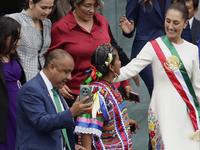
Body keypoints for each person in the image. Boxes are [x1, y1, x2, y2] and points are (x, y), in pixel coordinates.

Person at [118, 2, 200, 150]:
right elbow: (129, 70)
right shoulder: (153, 46)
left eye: (176, 23)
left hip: (186, 112)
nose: (170, 26)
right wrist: (101, 75)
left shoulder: (192, 50)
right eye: (168, 21)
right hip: (162, 108)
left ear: (185, 23)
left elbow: (197, 87)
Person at [48, 0, 133, 108]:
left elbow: (112, 55)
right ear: (76, 3)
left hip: (109, 90)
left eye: (95, 6)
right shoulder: (61, 27)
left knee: (114, 124)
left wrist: (124, 82)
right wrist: (57, 84)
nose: (92, 10)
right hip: (78, 93)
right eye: (87, 6)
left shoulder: (102, 21)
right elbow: (52, 60)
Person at [15, 49, 93, 150]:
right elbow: (41, 122)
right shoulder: (30, 90)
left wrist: (69, 146)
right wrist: (72, 112)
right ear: (52, 67)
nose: (69, 77)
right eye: (66, 72)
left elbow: (59, 128)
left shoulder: (55, 88)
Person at [119, 0, 192, 97]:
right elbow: (130, 22)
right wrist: (129, 31)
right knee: (158, 88)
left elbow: (183, 24)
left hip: (171, 48)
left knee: (174, 90)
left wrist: (187, 51)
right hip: (146, 50)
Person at [75, 43, 139, 150]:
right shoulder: (95, 94)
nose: (120, 63)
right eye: (118, 60)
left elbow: (107, 117)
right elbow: (87, 129)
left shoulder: (110, 87)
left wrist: (123, 122)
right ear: (111, 67)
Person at [6, 0, 54, 81]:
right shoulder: (13, 19)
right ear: (31, 3)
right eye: (43, 8)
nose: (47, 12)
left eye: (50, 7)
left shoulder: (47, 23)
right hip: (19, 77)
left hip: (42, 79)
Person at [0, 17, 26, 150]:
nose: (18, 43)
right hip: (4, 114)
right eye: (15, 39)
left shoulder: (13, 54)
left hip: (18, 110)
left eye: (19, 38)